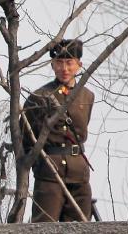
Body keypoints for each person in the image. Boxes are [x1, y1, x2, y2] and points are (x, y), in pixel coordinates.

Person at [22, 38, 95, 222]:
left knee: (81, 233)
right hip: (49, 174)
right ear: (53, 65)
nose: (65, 68)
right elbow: (26, 139)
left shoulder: (87, 96)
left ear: (79, 65)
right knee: (44, 231)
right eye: (59, 63)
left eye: (69, 63)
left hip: (79, 174)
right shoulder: (39, 97)